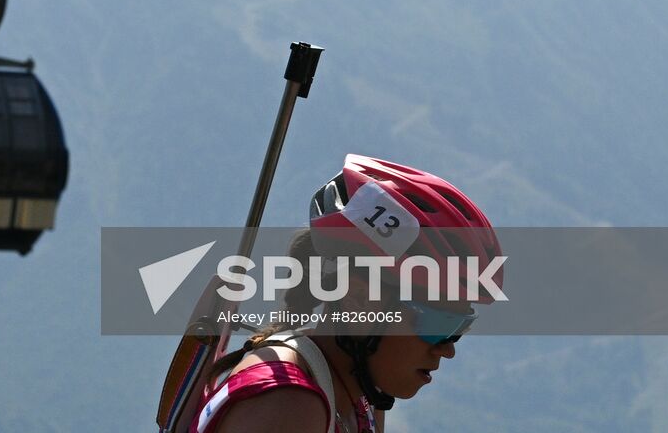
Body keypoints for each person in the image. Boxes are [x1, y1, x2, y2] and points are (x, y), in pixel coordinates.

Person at [196, 155, 502, 433]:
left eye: (459, 327)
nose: (448, 350)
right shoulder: (288, 406)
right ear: (359, 298)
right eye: (439, 325)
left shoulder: (360, 397)